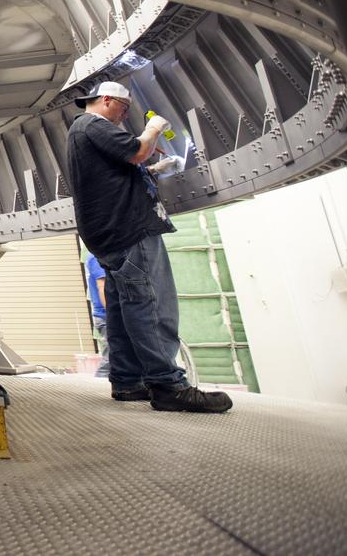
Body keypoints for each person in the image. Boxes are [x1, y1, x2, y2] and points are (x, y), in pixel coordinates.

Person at [65, 80, 231, 413]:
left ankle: (128, 382)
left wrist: (149, 169)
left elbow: (123, 167)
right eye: (124, 111)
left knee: (124, 309)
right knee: (150, 304)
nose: (123, 118)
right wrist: (154, 128)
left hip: (108, 234)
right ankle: (169, 386)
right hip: (128, 230)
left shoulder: (81, 132)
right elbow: (138, 151)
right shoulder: (91, 124)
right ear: (109, 101)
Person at [83, 252, 109, 378]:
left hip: (104, 315)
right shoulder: (96, 256)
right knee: (112, 356)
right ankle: (100, 382)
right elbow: (102, 286)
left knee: (115, 355)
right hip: (105, 316)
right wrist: (111, 313)